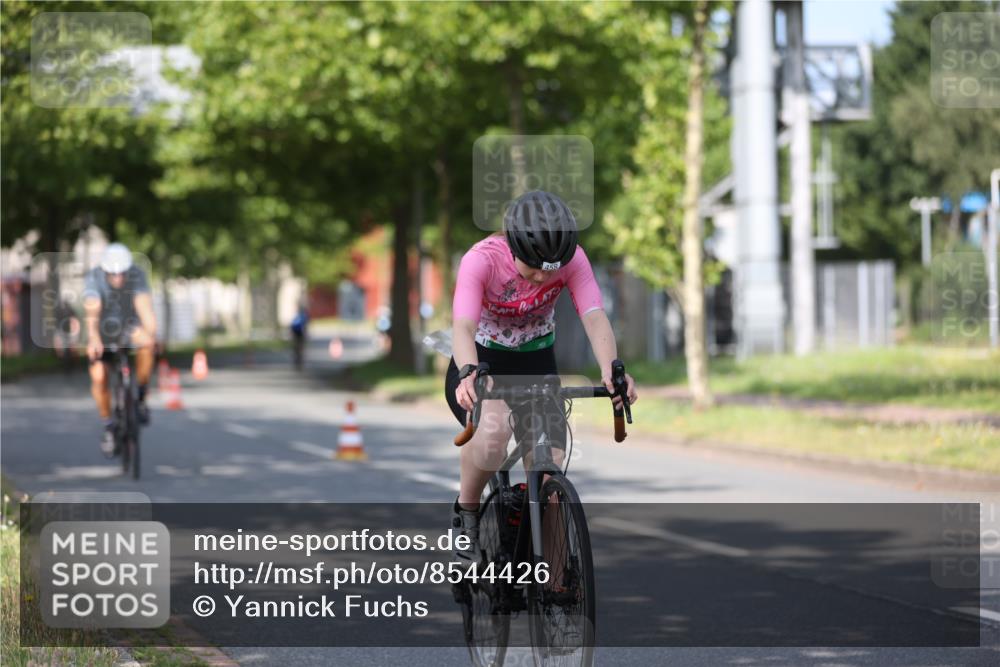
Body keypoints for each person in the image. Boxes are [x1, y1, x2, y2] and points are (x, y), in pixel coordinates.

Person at [445, 190, 637, 569]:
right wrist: (469, 373)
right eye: (534, 267)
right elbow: (463, 327)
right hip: (482, 361)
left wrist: (611, 370)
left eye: (553, 268)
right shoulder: (480, 261)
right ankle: (465, 515)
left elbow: (594, 317)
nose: (544, 277)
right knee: (494, 435)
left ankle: (555, 588)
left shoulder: (572, 259)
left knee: (549, 469)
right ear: (513, 246)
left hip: (536, 360)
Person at [83, 243, 157, 456]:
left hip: (128, 325)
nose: (118, 278)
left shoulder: (137, 275)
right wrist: (94, 338)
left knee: (147, 345)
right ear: (105, 271)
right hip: (102, 329)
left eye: (121, 274)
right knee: (98, 376)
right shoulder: (94, 277)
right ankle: (108, 426)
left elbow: (144, 307)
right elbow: (92, 310)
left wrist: (152, 333)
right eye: (113, 274)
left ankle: (141, 397)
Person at [290, 304, 309, 370]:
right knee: (301, 348)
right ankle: (300, 362)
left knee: (296, 348)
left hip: (295, 334)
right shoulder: (304, 316)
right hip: (301, 334)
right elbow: (305, 326)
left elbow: (292, 326)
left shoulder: (296, 316)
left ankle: (297, 361)